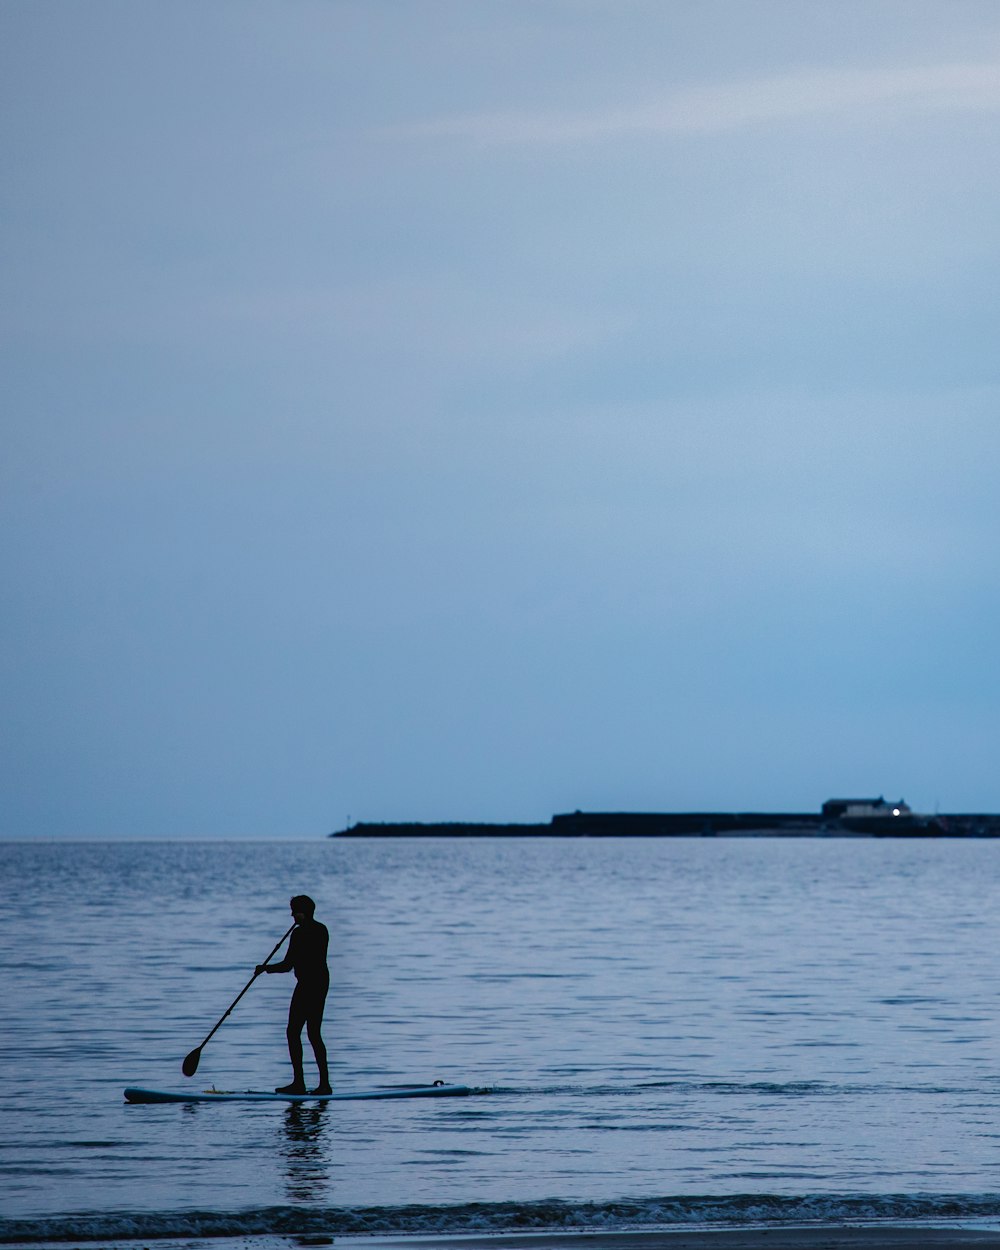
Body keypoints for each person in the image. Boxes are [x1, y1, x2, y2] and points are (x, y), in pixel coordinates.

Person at [256, 895, 331, 1094]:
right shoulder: (321, 930)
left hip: (310, 985)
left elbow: (288, 965)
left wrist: (265, 969)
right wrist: (268, 968)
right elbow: (292, 964)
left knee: (295, 1032)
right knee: (313, 1034)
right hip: (319, 984)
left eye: (294, 911)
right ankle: (322, 1084)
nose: (291, 915)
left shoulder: (300, 934)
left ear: (303, 912)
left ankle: (303, 1084)